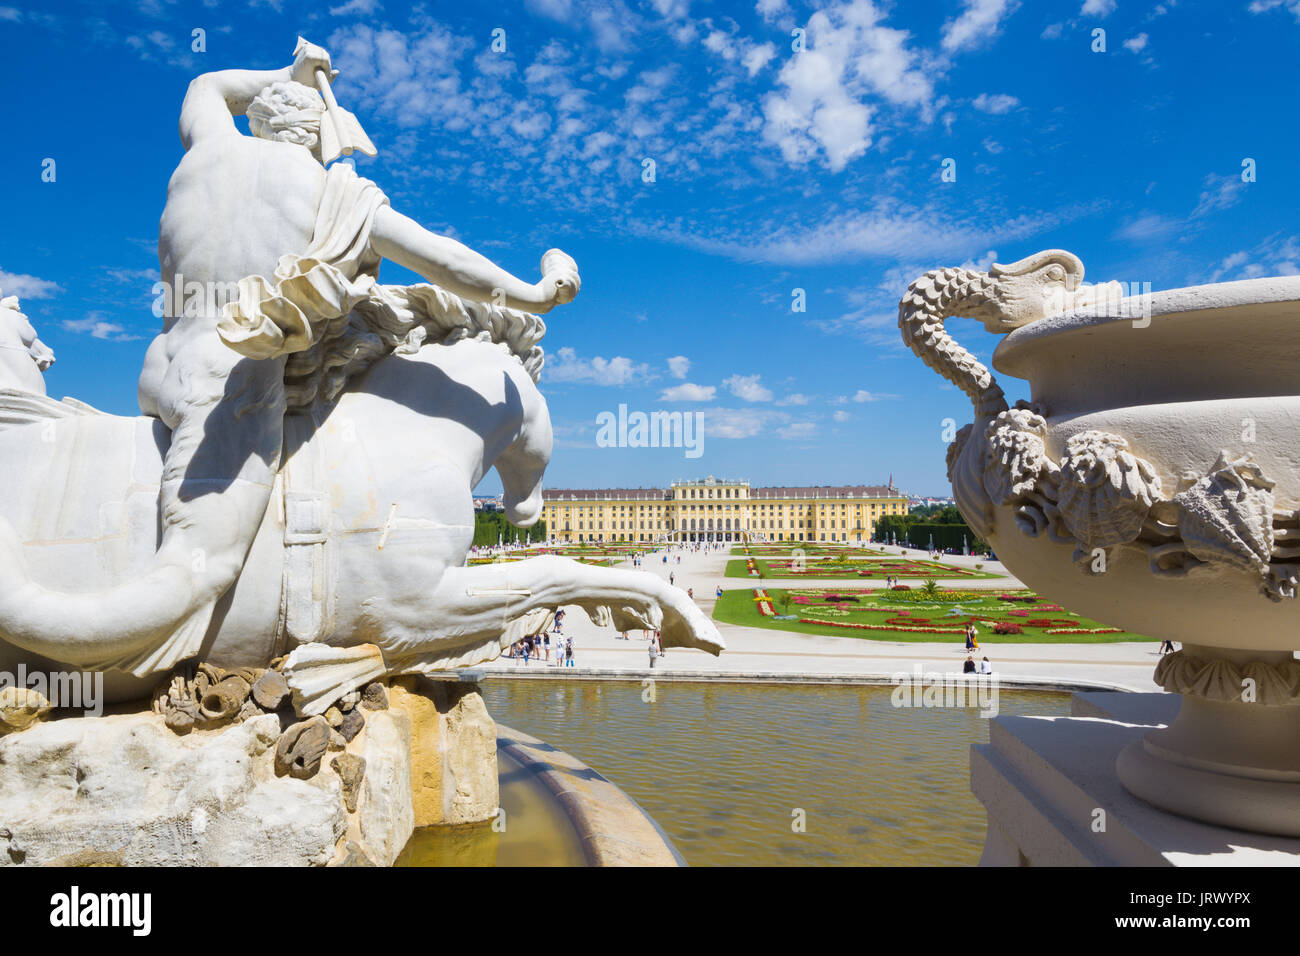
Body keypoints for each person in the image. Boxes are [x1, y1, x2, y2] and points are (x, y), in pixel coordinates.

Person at [21, 37, 580, 675]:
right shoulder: (332, 195)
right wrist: (535, 296)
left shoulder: (209, 150)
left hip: (163, 367)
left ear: (258, 117)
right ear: (313, 134)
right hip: (232, 383)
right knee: (196, 572)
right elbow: (450, 264)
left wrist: (284, 72)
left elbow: (205, 85)